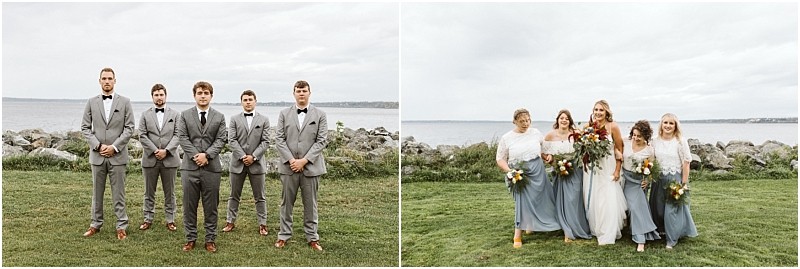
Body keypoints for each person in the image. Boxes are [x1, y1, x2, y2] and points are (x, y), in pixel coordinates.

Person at [81, 67, 135, 240]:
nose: (107, 81)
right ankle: (95, 224)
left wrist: (115, 147)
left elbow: (129, 128)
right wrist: (97, 146)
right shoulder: (91, 102)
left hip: (117, 156)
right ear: (99, 81)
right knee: (97, 192)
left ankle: (121, 226)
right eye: (104, 78)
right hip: (97, 156)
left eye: (110, 78)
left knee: (118, 192)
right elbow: (85, 127)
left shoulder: (125, 102)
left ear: (115, 81)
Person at [274, 80, 328, 251]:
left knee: (310, 204)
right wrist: (292, 160)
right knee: (286, 203)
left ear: (309, 93)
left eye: (304, 90)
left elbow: (321, 141)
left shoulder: (320, 114)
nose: (301, 93)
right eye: (298, 91)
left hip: (311, 168)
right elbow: (279, 139)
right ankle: (283, 235)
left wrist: (304, 161)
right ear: (294, 93)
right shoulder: (284, 113)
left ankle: (312, 237)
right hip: (288, 167)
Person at [496, 108, 560, 248]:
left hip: (537, 171)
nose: (525, 124)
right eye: (522, 121)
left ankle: (531, 225)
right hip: (519, 173)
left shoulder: (536, 133)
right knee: (522, 201)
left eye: (527, 120)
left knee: (540, 198)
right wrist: (510, 171)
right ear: (515, 122)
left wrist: (547, 157)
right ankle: (517, 234)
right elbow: (500, 159)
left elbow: (543, 151)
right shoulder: (507, 138)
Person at [177, 81, 227, 253]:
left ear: (211, 96)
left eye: (206, 93)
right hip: (189, 168)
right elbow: (182, 137)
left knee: (211, 205)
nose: (203, 96)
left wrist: (207, 155)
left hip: (211, 168)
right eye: (200, 93)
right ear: (194, 95)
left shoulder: (219, 117)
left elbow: (221, 139)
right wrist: (196, 156)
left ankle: (210, 239)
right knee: (189, 204)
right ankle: (190, 238)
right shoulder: (184, 115)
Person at [222, 90, 270, 236]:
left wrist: (253, 156)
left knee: (259, 196)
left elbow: (266, 141)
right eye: (245, 100)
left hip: (257, 164)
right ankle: (230, 221)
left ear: (255, 101)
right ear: (241, 102)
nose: (248, 102)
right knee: (233, 195)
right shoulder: (234, 119)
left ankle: (263, 224)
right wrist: (243, 156)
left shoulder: (264, 120)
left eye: (250, 99)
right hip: (238, 163)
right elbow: (232, 140)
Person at [542, 109, 591, 242]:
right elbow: (543, 152)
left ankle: (575, 226)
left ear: (570, 121)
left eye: (567, 118)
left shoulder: (575, 134)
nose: (564, 120)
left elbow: (584, 148)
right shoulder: (550, 136)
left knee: (574, 199)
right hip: (559, 171)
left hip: (575, 170)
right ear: (557, 120)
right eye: (561, 118)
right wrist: (551, 159)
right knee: (561, 200)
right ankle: (566, 230)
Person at [582, 100, 627, 245]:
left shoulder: (613, 126)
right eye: (596, 109)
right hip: (593, 167)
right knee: (595, 197)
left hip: (608, 166)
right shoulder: (588, 127)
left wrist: (617, 170)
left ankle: (609, 230)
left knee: (607, 198)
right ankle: (597, 227)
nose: (598, 112)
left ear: (607, 111)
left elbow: (620, 148)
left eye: (601, 110)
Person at [137, 83, 180, 232]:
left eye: (161, 94)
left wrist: (166, 151)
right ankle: (148, 218)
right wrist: (155, 150)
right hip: (150, 159)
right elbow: (142, 135)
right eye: (156, 95)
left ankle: (170, 219)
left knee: (170, 192)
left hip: (170, 159)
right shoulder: (145, 114)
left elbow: (178, 134)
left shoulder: (175, 115)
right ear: (152, 97)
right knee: (149, 192)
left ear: (165, 96)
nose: (159, 97)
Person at [651, 113, 698, 249]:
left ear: (675, 125)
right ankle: (661, 231)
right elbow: (652, 159)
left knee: (671, 210)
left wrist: (683, 183)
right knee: (659, 209)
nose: (668, 126)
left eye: (671, 123)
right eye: (665, 122)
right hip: (658, 179)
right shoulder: (655, 140)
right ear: (661, 124)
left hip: (674, 179)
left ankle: (671, 240)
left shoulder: (680, 141)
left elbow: (686, 162)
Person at [621, 120, 661, 252]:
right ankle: (631, 229)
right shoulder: (625, 141)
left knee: (635, 207)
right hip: (624, 179)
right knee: (626, 206)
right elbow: (612, 143)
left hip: (638, 182)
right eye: (634, 135)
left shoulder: (650, 150)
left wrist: (647, 181)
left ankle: (640, 239)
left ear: (646, 136)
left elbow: (652, 168)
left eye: (639, 136)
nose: (636, 138)